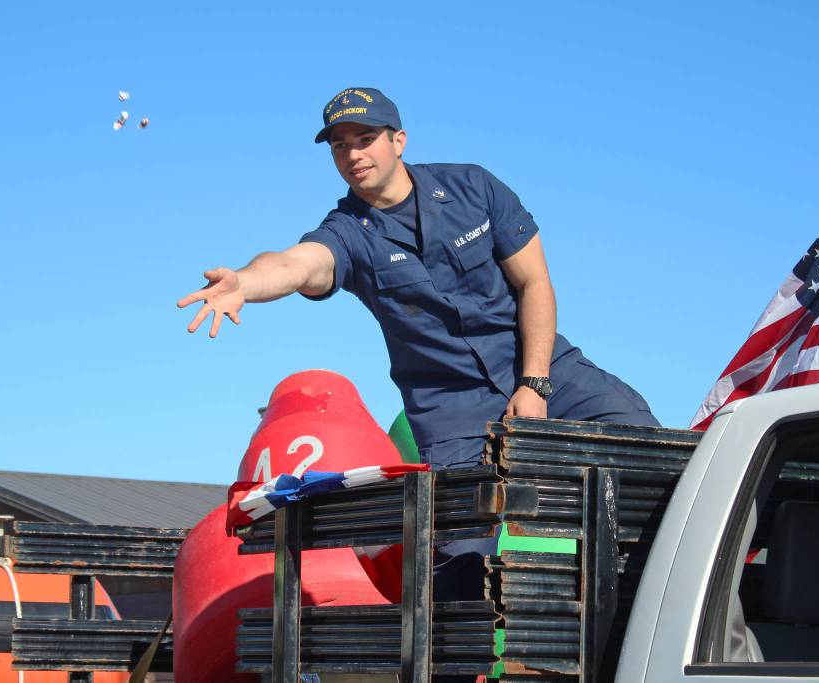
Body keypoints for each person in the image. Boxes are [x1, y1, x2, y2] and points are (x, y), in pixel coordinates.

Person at [178, 86, 658, 614]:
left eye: (365, 138)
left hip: (544, 368)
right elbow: (298, 263)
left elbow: (535, 284)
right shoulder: (348, 233)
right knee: (462, 563)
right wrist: (245, 281)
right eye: (339, 145)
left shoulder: (473, 187)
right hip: (451, 411)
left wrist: (534, 383)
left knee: (647, 446)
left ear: (398, 140)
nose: (354, 154)